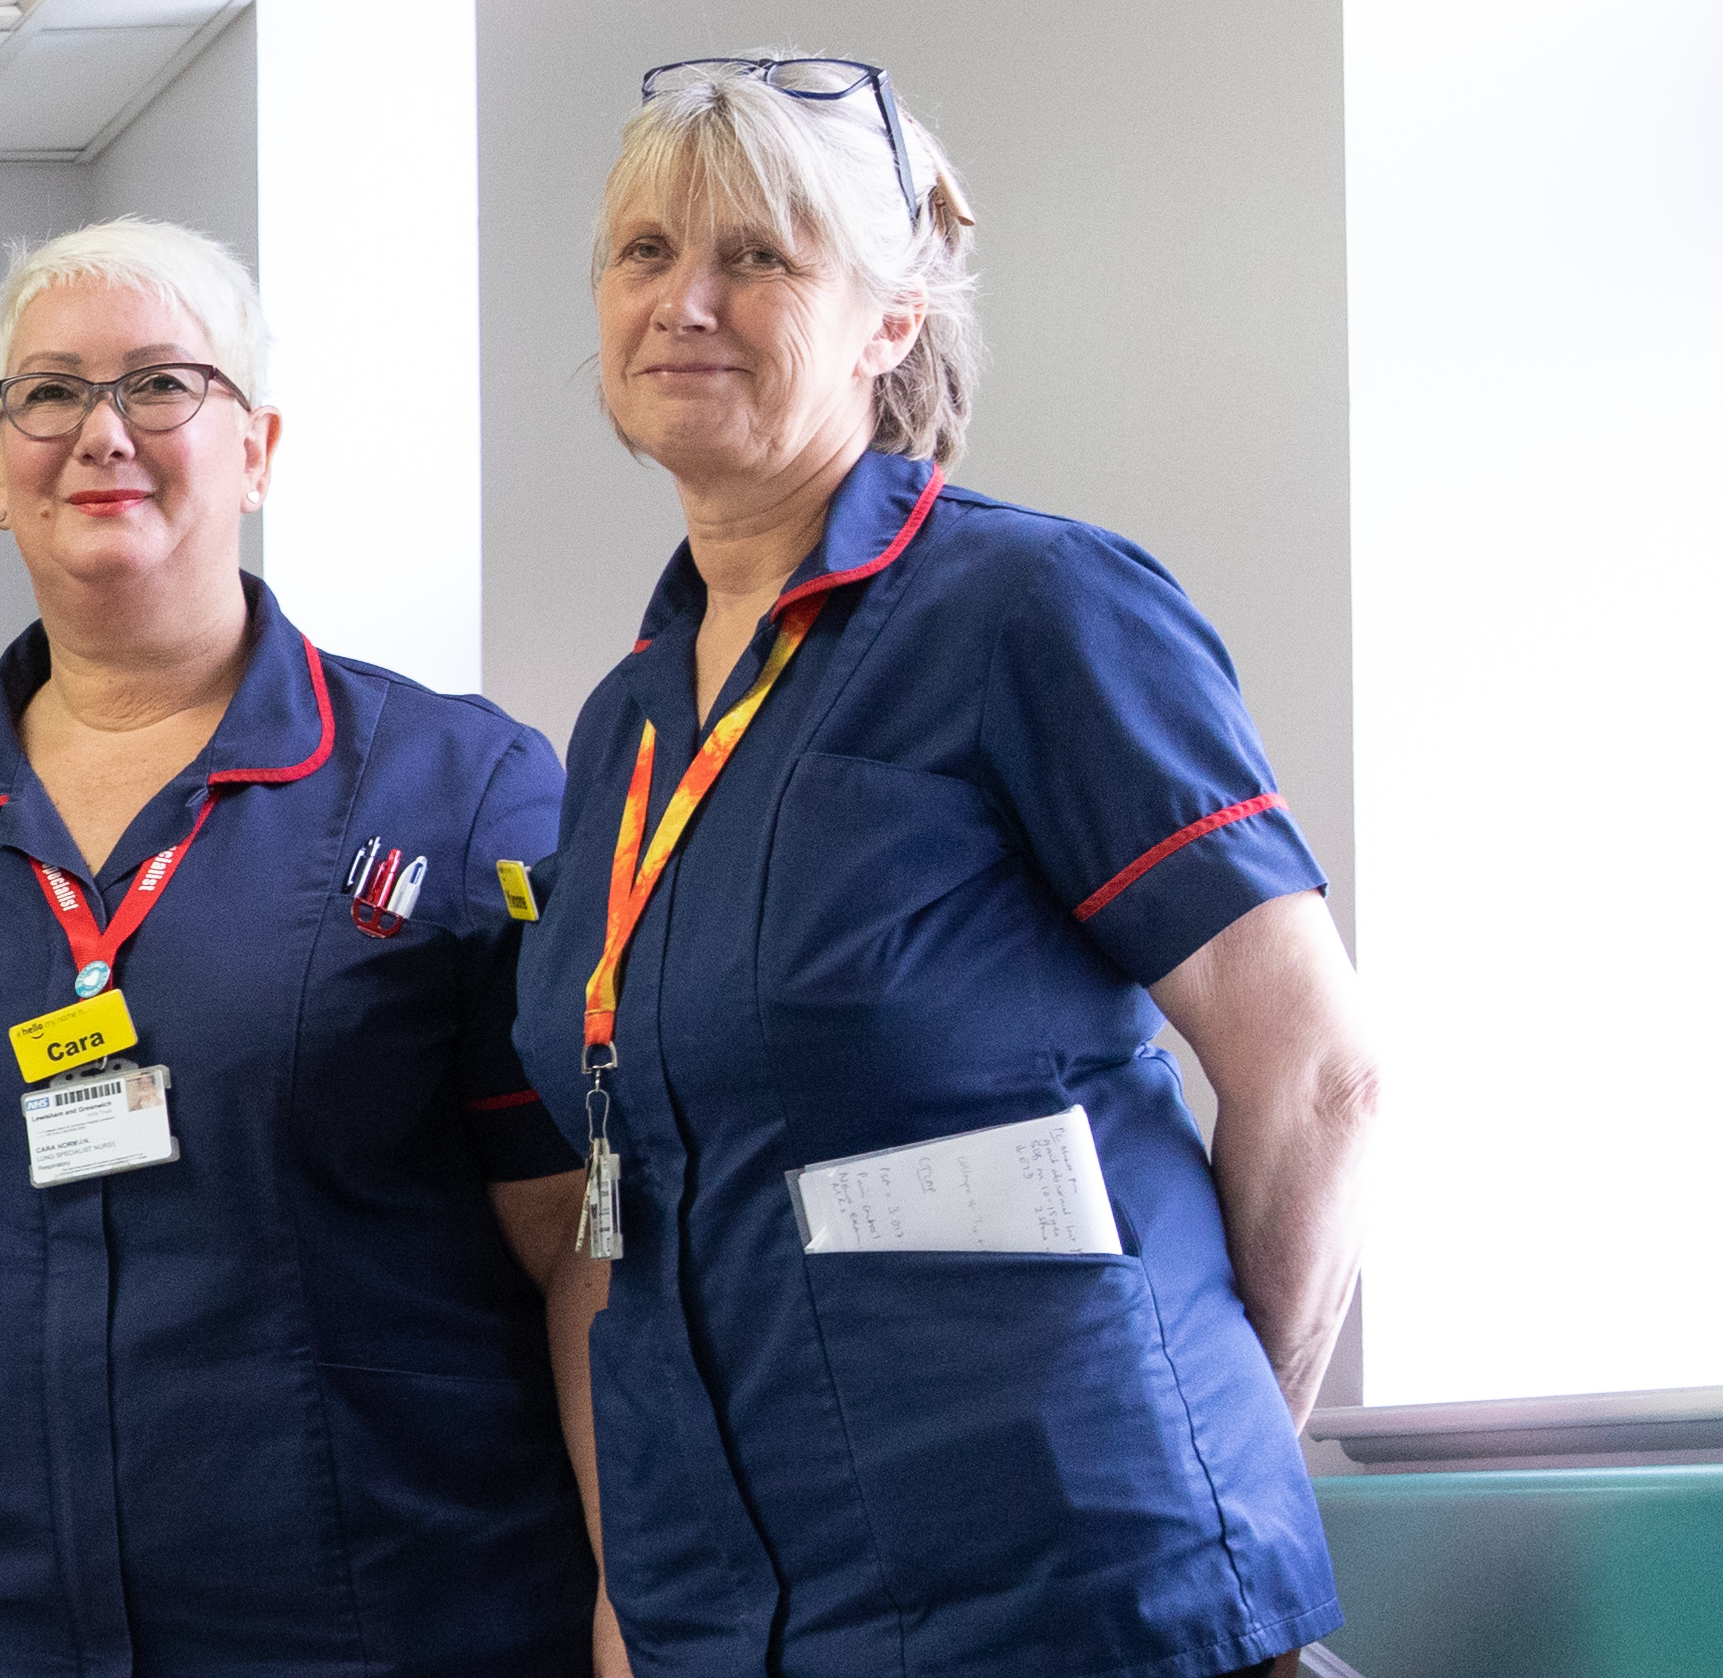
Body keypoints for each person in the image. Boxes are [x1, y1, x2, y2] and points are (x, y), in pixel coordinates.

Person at [532, 59, 1370, 1678]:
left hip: (1074, 1593)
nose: (685, 301)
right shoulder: (624, 726)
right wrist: (634, 1598)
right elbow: (624, 1202)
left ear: (890, 319)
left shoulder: (1033, 610)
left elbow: (1318, 1068)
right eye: (645, 253)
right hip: (738, 1606)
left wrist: (1212, 1474)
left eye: (757, 257)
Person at [0, 219, 586, 1677]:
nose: (102, 431)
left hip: (365, 1616)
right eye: (50, 393)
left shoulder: (457, 785)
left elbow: (573, 1238)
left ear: (258, 448)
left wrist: (630, 1603)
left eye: (163, 384)